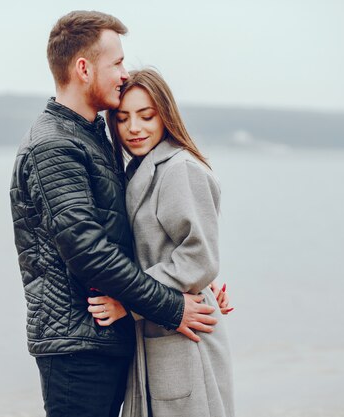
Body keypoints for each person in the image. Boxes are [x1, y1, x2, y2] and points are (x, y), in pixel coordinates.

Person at [9, 11, 217, 417]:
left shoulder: (90, 136)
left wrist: (200, 283)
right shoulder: (54, 146)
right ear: (84, 68)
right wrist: (172, 306)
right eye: (117, 62)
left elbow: (139, 235)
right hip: (77, 348)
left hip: (103, 341)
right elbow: (89, 252)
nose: (124, 72)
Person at [88, 68, 235, 417]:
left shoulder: (180, 168)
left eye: (146, 116)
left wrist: (130, 302)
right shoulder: (137, 169)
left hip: (186, 336)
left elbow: (200, 256)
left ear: (165, 114)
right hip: (160, 332)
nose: (134, 128)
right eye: (123, 118)